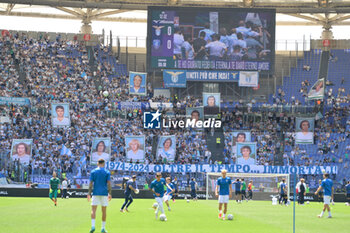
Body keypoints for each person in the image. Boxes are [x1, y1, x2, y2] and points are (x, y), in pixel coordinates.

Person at [87, 159, 112, 233]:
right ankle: (103, 228)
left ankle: (93, 226)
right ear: (104, 164)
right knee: (104, 211)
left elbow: (91, 183)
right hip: (104, 193)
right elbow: (109, 183)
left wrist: (89, 193)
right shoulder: (107, 172)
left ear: (97, 163)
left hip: (95, 193)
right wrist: (110, 193)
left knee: (93, 210)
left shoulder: (93, 171)